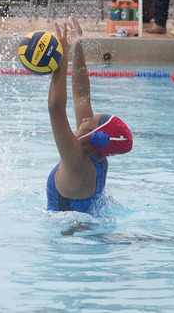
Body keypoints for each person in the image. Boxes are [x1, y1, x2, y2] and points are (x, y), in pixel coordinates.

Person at [46, 16, 133, 214]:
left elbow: (55, 108)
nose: (85, 118)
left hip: (68, 236)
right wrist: (77, 46)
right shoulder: (96, 155)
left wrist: (62, 57)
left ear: (97, 136)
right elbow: (81, 95)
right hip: (88, 228)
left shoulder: (76, 162)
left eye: (91, 121)